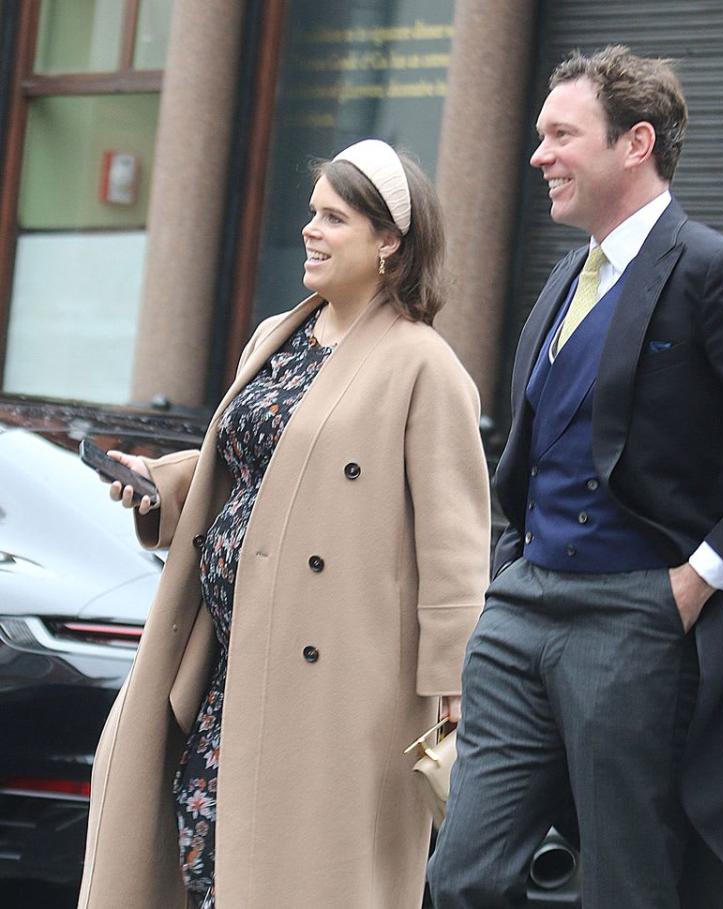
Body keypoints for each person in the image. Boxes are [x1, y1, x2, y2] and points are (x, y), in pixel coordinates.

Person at [428, 47, 723, 909]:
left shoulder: (713, 272)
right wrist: (509, 574)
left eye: (560, 134)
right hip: (521, 609)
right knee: (461, 874)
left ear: (636, 143)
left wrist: (694, 583)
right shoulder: (558, 281)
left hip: (635, 618)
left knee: (629, 886)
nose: (539, 154)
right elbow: (533, 455)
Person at [77, 139, 490, 909]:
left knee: (295, 876)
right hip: (223, 661)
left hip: (337, 682)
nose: (312, 230)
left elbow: (457, 543)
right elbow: (250, 466)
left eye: (335, 217)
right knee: (200, 856)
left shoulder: (424, 366)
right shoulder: (279, 333)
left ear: (389, 240)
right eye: (312, 213)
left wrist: (453, 687)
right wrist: (159, 486)